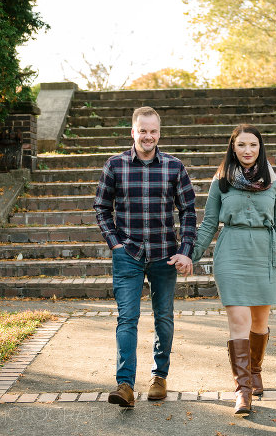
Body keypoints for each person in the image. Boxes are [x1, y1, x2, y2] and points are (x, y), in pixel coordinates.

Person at [191, 123, 276, 416]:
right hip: (231, 253)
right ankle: (243, 391)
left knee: (259, 322)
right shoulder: (221, 181)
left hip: (265, 254)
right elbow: (209, 224)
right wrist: (190, 255)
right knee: (238, 319)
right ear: (233, 148)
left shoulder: (274, 182)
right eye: (241, 145)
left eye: (253, 145)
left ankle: (254, 370)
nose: (247, 150)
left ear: (260, 148)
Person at [94, 106, 196, 408]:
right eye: (143, 131)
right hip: (129, 253)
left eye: (153, 131)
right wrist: (115, 244)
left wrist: (185, 250)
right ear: (133, 132)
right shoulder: (115, 165)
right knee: (127, 318)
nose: (148, 136)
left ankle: (159, 377)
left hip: (165, 255)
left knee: (163, 317)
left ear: (159, 133)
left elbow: (188, 211)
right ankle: (124, 384)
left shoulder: (174, 167)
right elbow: (101, 208)